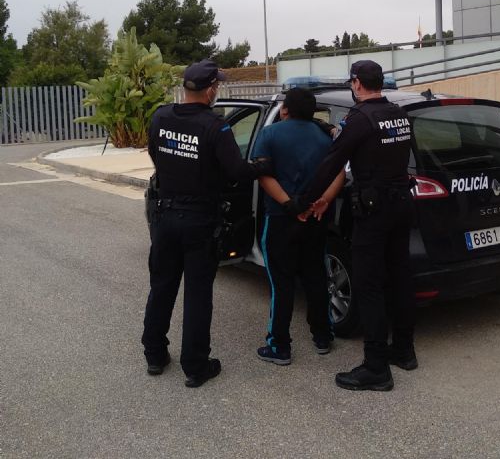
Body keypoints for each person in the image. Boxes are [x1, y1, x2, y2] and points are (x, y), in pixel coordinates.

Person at [142, 59, 271, 388]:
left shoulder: (160, 116)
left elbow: (155, 153)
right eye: (218, 86)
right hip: (199, 220)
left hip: (165, 216)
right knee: (198, 295)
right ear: (211, 89)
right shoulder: (215, 127)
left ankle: (155, 354)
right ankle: (196, 366)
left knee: (162, 287)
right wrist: (260, 166)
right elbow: (236, 172)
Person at [303, 60, 416, 392]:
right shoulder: (398, 114)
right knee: (400, 276)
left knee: (369, 285)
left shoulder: (360, 119)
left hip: (375, 209)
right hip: (401, 204)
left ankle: (376, 367)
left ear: (356, 84)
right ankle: (404, 350)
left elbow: (331, 163)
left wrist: (305, 200)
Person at [250, 87, 345, 365]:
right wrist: (323, 201)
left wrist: (290, 205)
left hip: (281, 219)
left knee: (281, 283)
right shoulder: (325, 137)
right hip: (316, 218)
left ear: (286, 109)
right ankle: (323, 336)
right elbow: (338, 173)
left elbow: (263, 174)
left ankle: (279, 345)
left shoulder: (270, 134)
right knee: (315, 276)